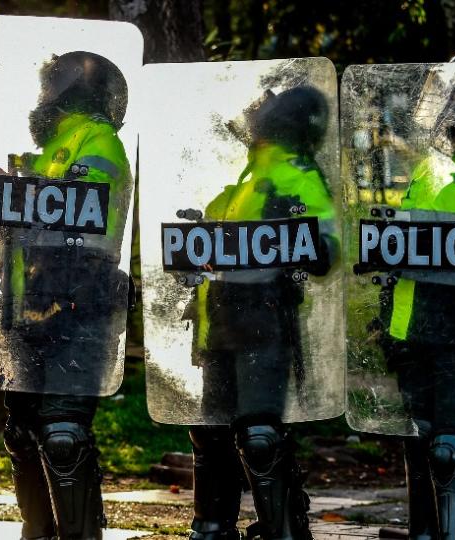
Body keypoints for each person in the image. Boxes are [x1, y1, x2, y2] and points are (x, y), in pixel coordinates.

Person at [187, 86, 336, 540]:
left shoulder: (295, 172)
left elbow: (324, 247)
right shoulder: (248, 175)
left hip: (265, 323)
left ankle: (283, 530)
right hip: (220, 323)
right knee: (210, 434)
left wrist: (289, 230)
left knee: (259, 435)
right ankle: (212, 528)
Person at [0, 51, 132, 540]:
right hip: (27, 308)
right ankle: (37, 531)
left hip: (77, 308)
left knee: (63, 435)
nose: (40, 98)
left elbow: (84, 226)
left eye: (47, 88)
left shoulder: (97, 143)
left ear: (66, 93)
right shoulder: (48, 153)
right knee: (23, 433)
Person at [383, 52, 455, 540]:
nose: (451, 102)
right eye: (449, 91)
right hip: (413, 327)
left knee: (454, 448)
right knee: (421, 443)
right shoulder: (432, 164)